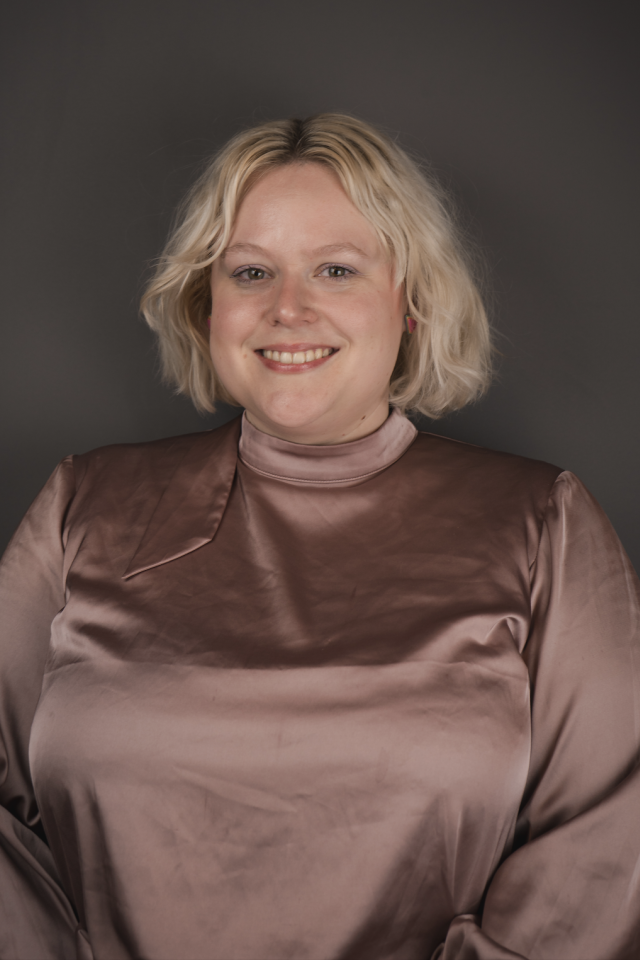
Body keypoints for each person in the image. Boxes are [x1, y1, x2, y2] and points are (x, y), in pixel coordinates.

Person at [1, 113, 639, 960]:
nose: (288, 308)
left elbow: (607, 842)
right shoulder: (83, 505)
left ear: (412, 304)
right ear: (207, 307)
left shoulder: (543, 520)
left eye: (336, 270)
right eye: (250, 272)